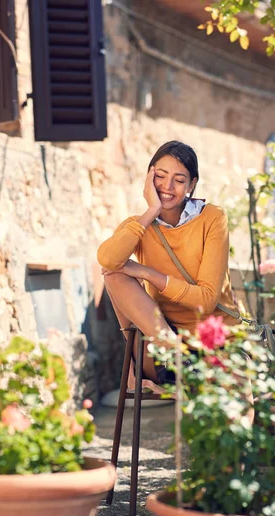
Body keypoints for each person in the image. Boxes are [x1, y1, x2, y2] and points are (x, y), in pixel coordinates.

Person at [97, 140, 240, 385]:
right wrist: (152, 210)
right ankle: (175, 355)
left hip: (214, 341)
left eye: (179, 180)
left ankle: (181, 358)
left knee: (236, 403)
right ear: (149, 177)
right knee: (114, 273)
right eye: (160, 176)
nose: (167, 186)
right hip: (162, 348)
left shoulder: (212, 218)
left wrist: (146, 272)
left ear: (192, 185)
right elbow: (108, 260)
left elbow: (205, 301)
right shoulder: (138, 224)